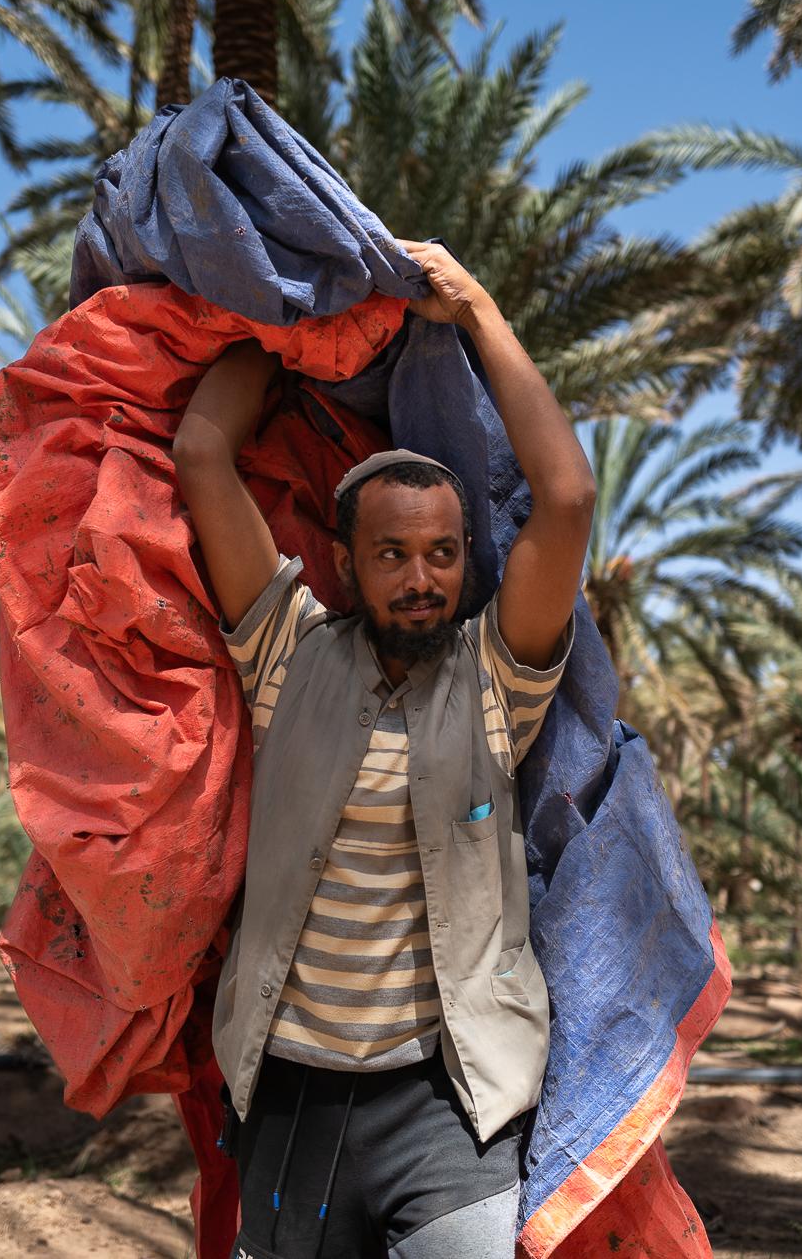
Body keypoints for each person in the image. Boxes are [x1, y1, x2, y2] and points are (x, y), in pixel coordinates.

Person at [173, 239, 596, 1259]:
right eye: (392, 554)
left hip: (447, 1104)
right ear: (347, 563)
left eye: (442, 554)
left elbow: (567, 498)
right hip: (291, 1103)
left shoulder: (494, 683)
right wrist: (285, 324)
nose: (420, 577)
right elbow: (199, 453)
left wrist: (478, 309)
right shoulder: (288, 653)